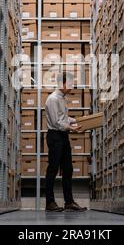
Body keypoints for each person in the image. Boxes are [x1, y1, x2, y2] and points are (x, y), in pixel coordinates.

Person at [44, 72, 87, 212]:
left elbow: (64, 118)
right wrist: (72, 128)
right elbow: (57, 122)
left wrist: (78, 121)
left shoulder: (62, 98)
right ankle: (49, 203)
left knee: (68, 169)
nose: (72, 86)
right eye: (69, 83)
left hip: (63, 136)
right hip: (55, 136)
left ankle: (69, 202)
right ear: (62, 83)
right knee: (53, 169)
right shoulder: (52, 99)